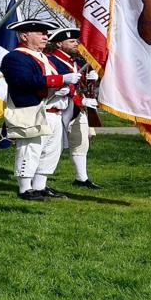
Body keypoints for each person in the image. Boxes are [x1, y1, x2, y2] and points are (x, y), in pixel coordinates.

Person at [0, 19, 79, 202]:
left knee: (51, 151)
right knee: (30, 149)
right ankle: (25, 188)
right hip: (34, 110)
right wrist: (60, 80)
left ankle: (40, 186)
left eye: (46, 33)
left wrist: (65, 86)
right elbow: (23, 81)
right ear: (24, 36)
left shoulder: (44, 57)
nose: (45, 37)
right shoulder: (16, 57)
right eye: (40, 33)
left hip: (55, 111)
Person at [47, 26, 102, 190]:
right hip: (58, 107)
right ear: (59, 44)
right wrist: (81, 100)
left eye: (76, 41)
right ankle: (38, 183)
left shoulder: (77, 62)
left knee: (81, 142)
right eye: (71, 41)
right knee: (50, 146)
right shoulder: (50, 60)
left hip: (78, 107)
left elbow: (82, 86)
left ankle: (81, 178)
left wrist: (93, 79)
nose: (76, 44)